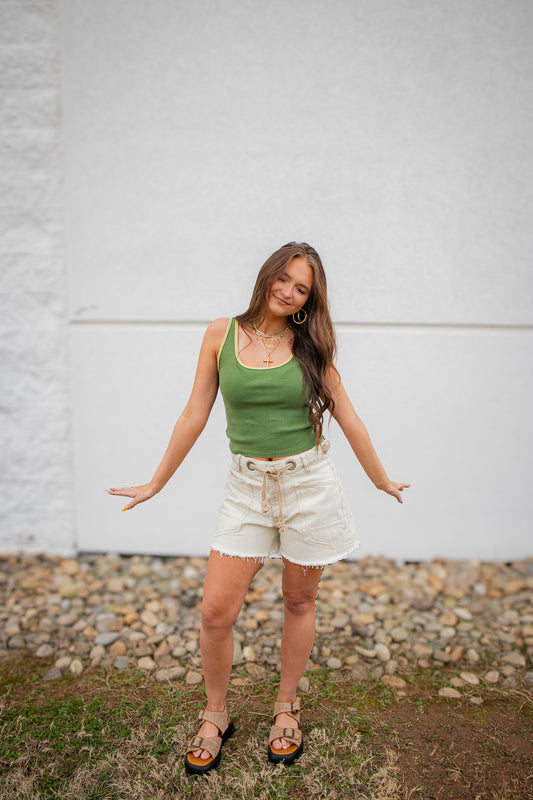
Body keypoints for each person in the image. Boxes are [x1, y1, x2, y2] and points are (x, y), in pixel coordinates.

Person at [107, 242, 410, 774]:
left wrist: (380, 478)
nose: (289, 291)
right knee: (215, 612)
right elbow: (194, 415)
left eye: (302, 288)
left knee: (298, 602)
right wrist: (156, 482)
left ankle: (286, 706)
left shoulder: (310, 345)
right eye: (285, 279)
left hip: (308, 486)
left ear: (307, 300)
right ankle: (216, 714)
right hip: (247, 489)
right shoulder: (221, 333)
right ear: (268, 275)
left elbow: (350, 417)